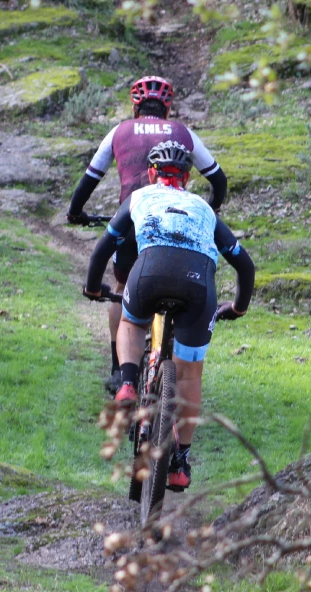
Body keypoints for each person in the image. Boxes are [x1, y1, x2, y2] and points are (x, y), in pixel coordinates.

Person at [81, 141, 254, 491]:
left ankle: (128, 383)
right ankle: (180, 462)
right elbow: (244, 264)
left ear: (150, 173)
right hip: (198, 285)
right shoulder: (205, 209)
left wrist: (93, 287)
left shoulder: (141, 196)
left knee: (131, 322)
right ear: (188, 178)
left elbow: (104, 247)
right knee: (190, 374)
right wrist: (238, 306)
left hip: (150, 272)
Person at [66, 76, 230, 394]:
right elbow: (218, 179)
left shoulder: (120, 131)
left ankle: (119, 370)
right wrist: (212, 209)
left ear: (135, 104)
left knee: (124, 286)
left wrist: (76, 213)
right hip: (178, 225)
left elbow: (90, 177)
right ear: (167, 107)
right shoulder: (183, 133)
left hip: (131, 226)